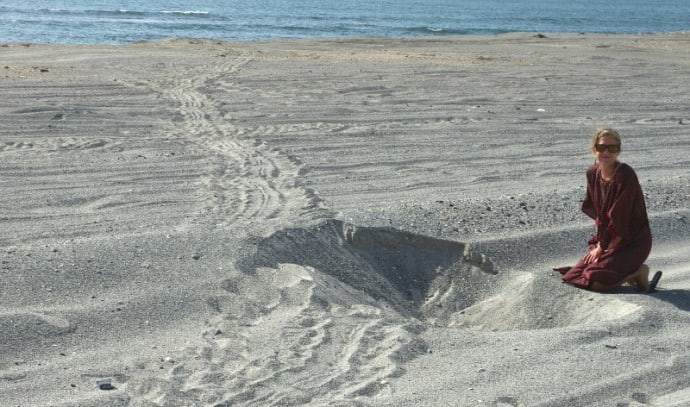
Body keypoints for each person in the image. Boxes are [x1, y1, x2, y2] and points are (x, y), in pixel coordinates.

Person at [555, 128, 661, 292]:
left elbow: (622, 218)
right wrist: (600, 242)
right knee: (573, 276)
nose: (607, 152)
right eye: (602, 147)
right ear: (594, 149)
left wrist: (602, 248)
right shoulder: (592, 173)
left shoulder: (625, 174)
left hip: (632, 241)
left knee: (594, 280)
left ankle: (638, 273)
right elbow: (597, 211)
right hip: (607, 237)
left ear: (618, 150)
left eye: (612, 148)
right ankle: (620, 270)